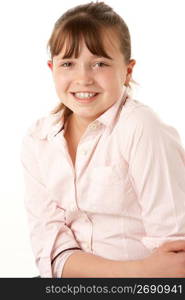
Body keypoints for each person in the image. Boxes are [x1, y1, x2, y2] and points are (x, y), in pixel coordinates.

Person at [21, 1, 185, 278]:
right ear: (52, 69)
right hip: (99, 279)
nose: (82, 78)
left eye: (99, 63)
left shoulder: (141, 128)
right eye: (68, 64)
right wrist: (140, 270)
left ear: (128, 70)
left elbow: (174, 257)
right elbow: (52, 253)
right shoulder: (38, 140)